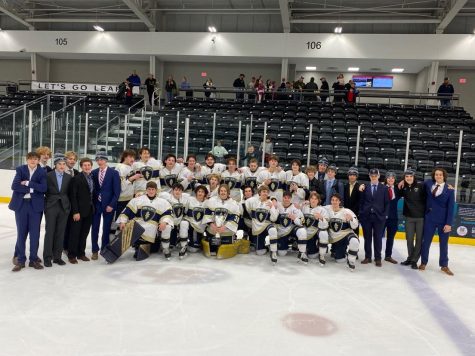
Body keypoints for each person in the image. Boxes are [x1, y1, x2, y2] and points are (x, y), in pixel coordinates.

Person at [9, 152, 47, 272]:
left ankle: (33, 259)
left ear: (38, 160)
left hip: (35, 206)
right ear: (27, 160)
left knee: (35, 234)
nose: (33, 161)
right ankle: (20, 260)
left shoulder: (42, 172)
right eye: (31, 159)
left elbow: (43, 188)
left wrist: (28, 183)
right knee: (21, 233)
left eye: (35, 159)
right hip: (21, 206)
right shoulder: (20, 169)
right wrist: (32, 189)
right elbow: (14, 186)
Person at [117, 181, 174, 260]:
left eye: (153, 189)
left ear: (156, 190)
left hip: (152, 232)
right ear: (146, 190)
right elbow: (127, 211)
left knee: (154, 249)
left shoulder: (163, 202)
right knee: (138, 254)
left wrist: (164, 222)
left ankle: (153, 246)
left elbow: (168, 214)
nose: (151, 191)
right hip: (138, 229)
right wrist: (123, 221)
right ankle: (138, 246)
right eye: (149, 189)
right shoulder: (137, 200)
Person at [419, 168, 455, 275]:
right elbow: (416, 183)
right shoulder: (429, 183)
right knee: (426, 242)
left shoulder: (449, 190)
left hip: (443, 221)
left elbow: (451, 208)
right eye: (436, 174)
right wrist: (403, 181)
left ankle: (444, 265)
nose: (438, 176)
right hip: (429, 219)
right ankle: (423, 262)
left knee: (443, 244)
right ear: (434, 176)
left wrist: (448, 223)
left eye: (440, 175)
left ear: (444, 176)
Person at [43, 153, 72, 267]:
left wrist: (68, 207)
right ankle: (47, 257)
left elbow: (69, 193)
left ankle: (57, 257)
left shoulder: (68, 177)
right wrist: (47, 204)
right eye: (59, 164)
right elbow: (44, 191)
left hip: (64, 207)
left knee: (60, 232)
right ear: (55, 164)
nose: (62, 166)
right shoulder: (48, 176)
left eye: (64, 164)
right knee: (50, 232)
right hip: (51, 206)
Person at [91, 150, 121, 260]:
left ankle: (104, 248)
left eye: (102, 159)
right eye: (98, 160)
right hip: (96, 204)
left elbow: (117, 191)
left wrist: (112, 205)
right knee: (94, 228)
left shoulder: (114, 173)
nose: (100, 161)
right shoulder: (93, 172)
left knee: (106, 228)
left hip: (108, 205)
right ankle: (94, 250)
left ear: (106, 160)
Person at [359, 168, 389, 267]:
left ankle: (378, 258)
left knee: (378, 238)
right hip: (366, 217)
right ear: (369, 176)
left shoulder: (384, 188)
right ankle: (368, 257)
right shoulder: (365, 187)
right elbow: (362, 202)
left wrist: (384, 215)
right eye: (372, 176)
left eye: (375, 176)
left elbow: (387, 203)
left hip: (379, 218)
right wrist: (361, 213)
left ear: (379, 176)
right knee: (367, 238)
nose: (374, 177)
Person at [202, 184, 242, 258]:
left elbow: (235, 217)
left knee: (224, 242)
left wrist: (225, 227)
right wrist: (211, 224)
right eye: (221, 191)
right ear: (218, 192)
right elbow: (207, 213)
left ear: (228, 192)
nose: (223, 192)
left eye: (225, 191)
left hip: (225, 230)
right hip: (213, 228)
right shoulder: (212, 200)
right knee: (213, 249)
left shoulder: (233, 203)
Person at [68, 157, 95, 264]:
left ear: (91, 166)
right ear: (81, 167)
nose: (87, 167)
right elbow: (73, 196)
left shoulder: (92, 177)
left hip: (89, 210)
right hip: (78, 211)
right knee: (75, 233)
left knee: (84, 233)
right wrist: (75, 212)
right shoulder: (76, 178)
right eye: (85, 165)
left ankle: (81, 253)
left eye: (89, 165)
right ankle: (72, 255)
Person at [324, 193, 360, 271]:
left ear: (340, 201)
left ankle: (351, 261)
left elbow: (355, 226)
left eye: (336, 200)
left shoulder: (347, 211)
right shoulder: (326, 209)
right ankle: (335, 250)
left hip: (344, 235)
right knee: (339, 259)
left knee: (354, 242)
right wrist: (306, 203)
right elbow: (315, 207)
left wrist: (351, 219)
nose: (334, 202)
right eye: (333, 200)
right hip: (333, 237)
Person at [399, 168, 426, 269]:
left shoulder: (421, 186)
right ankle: (410, 258)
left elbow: (432, 183)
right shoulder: (404, 187)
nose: (409, 178)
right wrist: (401, 181)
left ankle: (414, 260)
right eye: (406, 176)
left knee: (419, 240)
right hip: (409, 218)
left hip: (420, 218)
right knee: (409, 239)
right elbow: (392, 187)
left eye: (411, 176)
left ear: (414, 177)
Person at [245, 185, 279, 263]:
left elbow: (274, 219)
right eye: (263, 191)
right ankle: (266, 246)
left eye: (267, 192)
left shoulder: (270, 203)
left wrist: (272, 207)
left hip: (267, 226)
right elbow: (249, 210)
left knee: (273, 229)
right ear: (259, 193)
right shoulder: (253, 201)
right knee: (259, 252)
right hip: (257, 230)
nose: (265, 193)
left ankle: (273, 252)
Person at [276, 191, 308, 263]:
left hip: (291, 229)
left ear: (291, 199)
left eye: (288, 198)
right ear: (282, 198)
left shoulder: (295, 208)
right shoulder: (278, 206)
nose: (286, 199)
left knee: (302, 231)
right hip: (281, 232)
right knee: (281, 253)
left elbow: (303, 222)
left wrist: (295, 219)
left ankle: (302, 252)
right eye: (285, 198)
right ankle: (281, 243)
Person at [382, 171, 401, 264]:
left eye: (392, 178)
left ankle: (388, 256)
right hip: (381, 218)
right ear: (386, 179)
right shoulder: (381, 188)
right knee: (378, 237)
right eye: (389, 177)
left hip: (393, 218)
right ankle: (377, 256)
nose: (390, 179)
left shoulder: (398, 189)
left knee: (390, 238)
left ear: (395, 180)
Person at [115, 149, 140, 218]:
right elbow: (120, 186)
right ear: (125, 157)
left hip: (130, 198)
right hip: (121, 200)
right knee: (120, 221)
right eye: (130, 157)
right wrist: (132, 178)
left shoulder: (131, 167)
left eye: (133, 157)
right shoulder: (119, 167)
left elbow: (133, 183)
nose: (132, 159)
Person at [63, 151, 79, 252]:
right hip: (62, 203)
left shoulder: (76, 173)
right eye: (70, 159)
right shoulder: (60, 171)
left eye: (74, 159)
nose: (72, 161)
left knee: (70, 226)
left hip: (73, 204)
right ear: (65, 159)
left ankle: (67, 246)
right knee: (62, 226)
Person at [185, 185, 209, 252]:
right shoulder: (190, 200)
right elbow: (185, 211)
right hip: (191, 222)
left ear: (205, 194)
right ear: (196, 192)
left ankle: (200, 241)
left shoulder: (207, 202)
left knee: (196, 247)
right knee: (194, 248)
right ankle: (187, 241)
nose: (200, 193)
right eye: (199, 191)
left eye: (202, 192)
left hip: (202, 224)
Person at [343, 167, 361, 236]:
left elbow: (360, 201)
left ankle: (355, 246)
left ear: (356, 176)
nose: (352, 176)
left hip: (355, 213)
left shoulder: (359, 186)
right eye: (350, 175)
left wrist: (354, 211)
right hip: (346, 212)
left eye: (354, 175)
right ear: (348, 176)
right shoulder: (345, 186)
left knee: (355, 231)